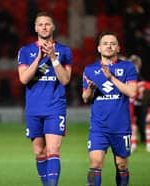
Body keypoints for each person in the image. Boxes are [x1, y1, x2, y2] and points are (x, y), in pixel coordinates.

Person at [17, 12, 72, 186]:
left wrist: (54, 58)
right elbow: (24, 79)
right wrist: (40, 58)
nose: (44, 27)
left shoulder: (64, 51)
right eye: (40, 24)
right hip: (34, 108)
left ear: (53, 27)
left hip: (55, 107)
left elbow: (65, 80)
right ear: (35, 28)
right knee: (40, 153)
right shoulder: (25, 51)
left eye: (47, 24)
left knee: (53, 150)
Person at [82, 31, 138, 186]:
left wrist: (111, 78)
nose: (109, 46)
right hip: (99, 127)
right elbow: (85, 98)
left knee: (121, 164)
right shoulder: (90, 70)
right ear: (99, 48)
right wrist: (91, 89)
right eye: (105, 43)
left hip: (121, 126)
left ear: (118, 48)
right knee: (95, 163)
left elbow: (132, 92)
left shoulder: (127, 67)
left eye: (113, 43)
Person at [128, 54, 150, 152]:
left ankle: (135, 143)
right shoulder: (135, 75)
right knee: (137, 122)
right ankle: (137, 143)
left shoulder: (135, 76)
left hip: (138, 101)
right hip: (135, 101)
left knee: (136, 122)